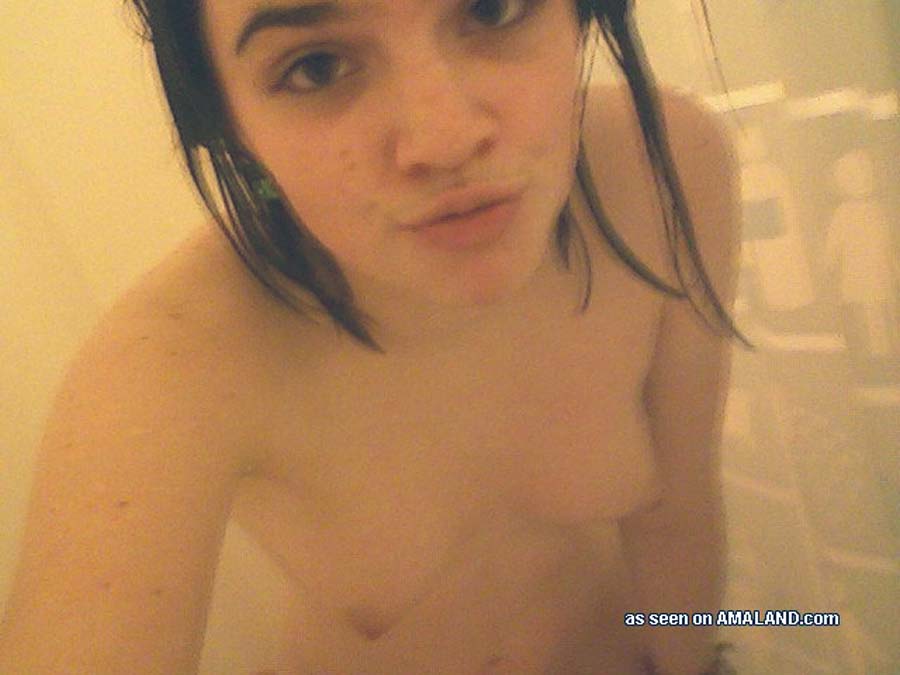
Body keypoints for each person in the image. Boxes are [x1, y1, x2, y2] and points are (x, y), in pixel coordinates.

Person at [0, 0, 751, 672]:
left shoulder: (662, 166)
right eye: (317, 66)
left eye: (492, 9)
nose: (445, 139)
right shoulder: (176, 361)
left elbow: (677, 513)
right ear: (228, 123)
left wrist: (691, 664)